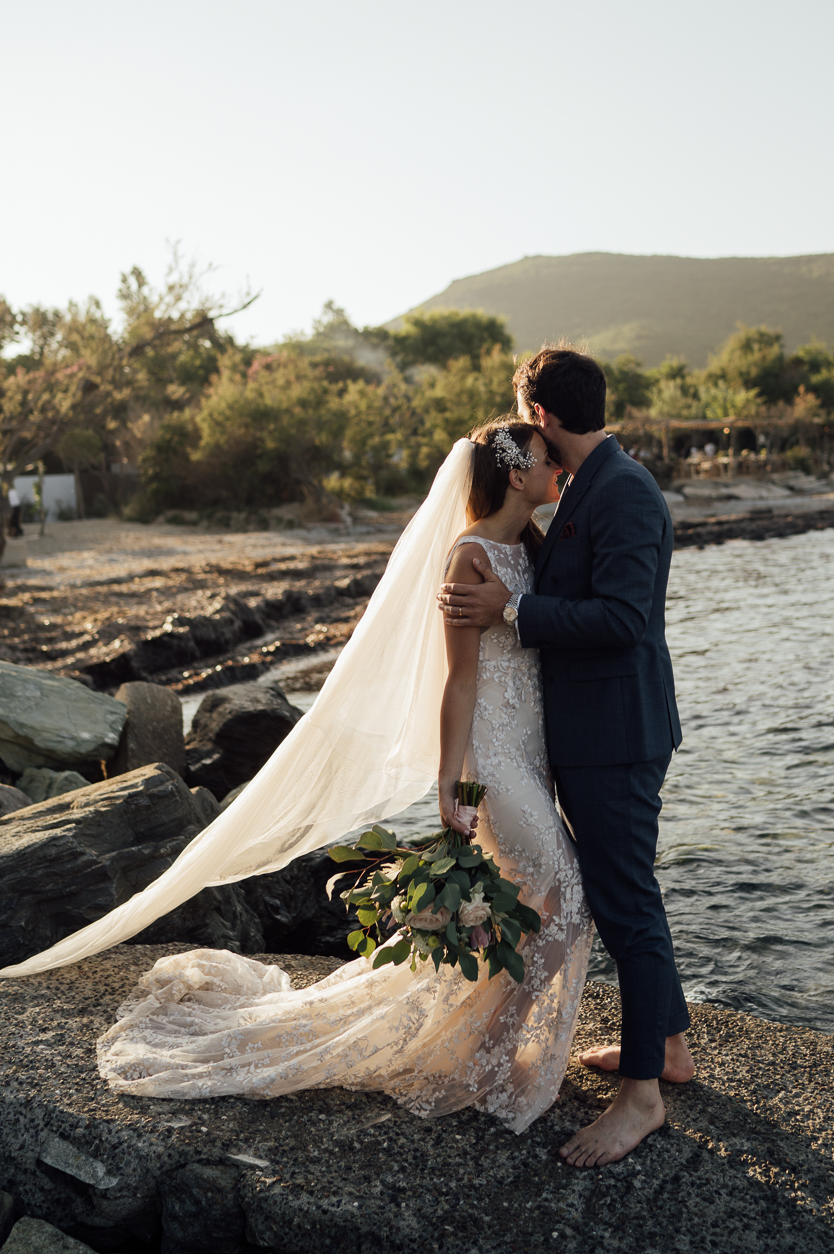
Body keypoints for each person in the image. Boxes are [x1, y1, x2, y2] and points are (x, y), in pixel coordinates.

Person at [5, 419, 593, 1137]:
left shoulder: (533, 547)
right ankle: (501, 1054)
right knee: (565, 892)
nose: (557, 468)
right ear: (511, 473)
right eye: (544, 460)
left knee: (531, 901)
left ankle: (484, 1042)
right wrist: (450, 784)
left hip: (533, 753)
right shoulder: (469, 559)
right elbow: (459, 684)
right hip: (496, 760)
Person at [438, 346, 692, 1169]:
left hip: (616, 738)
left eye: (530, 424)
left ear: (540, 415)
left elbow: (622, 619)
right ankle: (671, 1050)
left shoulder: (620, 492)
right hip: (583, 739)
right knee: (627, 897)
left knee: (624, 904)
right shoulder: (586, 489)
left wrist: (512, 607)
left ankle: (644, 1099)